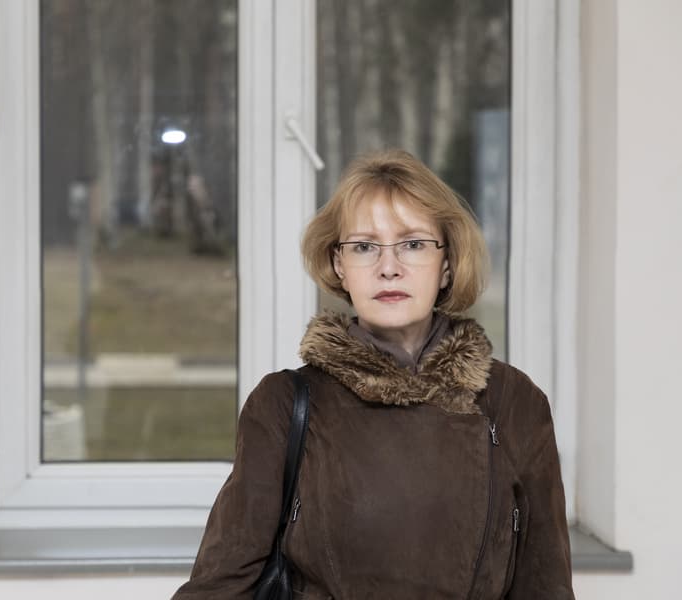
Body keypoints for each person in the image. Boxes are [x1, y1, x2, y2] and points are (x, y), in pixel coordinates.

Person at [173, 150, 574, 599]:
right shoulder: (284, 404)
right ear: (339, 266)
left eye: (413, 244)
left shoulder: (513, 401)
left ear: (447, 265)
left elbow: (546, 587)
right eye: (364, 246)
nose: (388, 267)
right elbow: (220, 585)